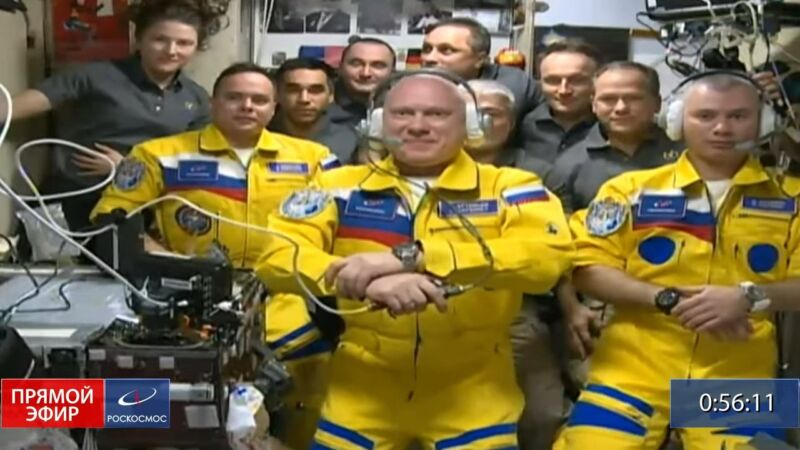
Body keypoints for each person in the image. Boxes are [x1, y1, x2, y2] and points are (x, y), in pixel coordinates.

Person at [255, 71, 574, 449]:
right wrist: (366, 281)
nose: (418, 126)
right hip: (361, 391)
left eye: (436, 115)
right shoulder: (336, 185)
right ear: (377, 124)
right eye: (403, 114)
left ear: (471, 126)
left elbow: (545, 260)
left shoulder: (513, 187)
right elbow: (276, 257)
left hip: (475, 393)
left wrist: (417, 257)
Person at [89, 64, 339, 450]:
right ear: (213, 102)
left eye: (258, 99)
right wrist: (163, 261)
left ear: (274, 107)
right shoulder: (159, 155)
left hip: (290, 300)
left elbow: (341, 228)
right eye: (234, 97)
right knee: (179, 408)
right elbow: (111, 220)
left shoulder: (315, 159)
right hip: (194, 302)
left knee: (310, 400)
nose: (247, 106)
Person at [553, 71, 800, 450]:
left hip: (738, 375)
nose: (722, 127)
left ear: (763, 122)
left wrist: (749, 298)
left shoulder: (792, 197)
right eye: (705, 116)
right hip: (629, 371)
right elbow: (587, 268)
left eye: (738, 116)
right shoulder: (629, 190)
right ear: (676, 120)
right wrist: (666, 298)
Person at [4, 0, 226, 232]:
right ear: (139, 39)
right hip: (66, 202)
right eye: (160, 39)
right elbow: (13, 107)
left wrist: (128, 168)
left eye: (184, 43)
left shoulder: (196, 97)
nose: (171, 51)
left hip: (139, 211)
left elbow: (196, 168)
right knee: (38, 268)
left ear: (197, 47)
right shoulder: (95, 75)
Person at [465, 78, 569, 450]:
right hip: (439, 313)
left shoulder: (536, 173)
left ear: (511, 122)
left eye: (492, 114)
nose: (480, 122)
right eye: (471, 112)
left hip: (519, 311)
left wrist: (571, 313)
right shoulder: (425, 166)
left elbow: (559, 251)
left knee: (544, 414)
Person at [421, 17, 544, 122]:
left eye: (447, 50)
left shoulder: (509, 86)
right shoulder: (414, 83)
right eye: (427, 50)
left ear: (480, 60)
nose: (430, 58)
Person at [519, 39, 599, 167]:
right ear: (540, 82)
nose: (564, 90)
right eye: (553, 81)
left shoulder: (612, 128)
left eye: (576, 80)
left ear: (597, 82)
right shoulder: (519, 126)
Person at [270, 58, 359, 163]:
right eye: (293, 90)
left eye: (315, 90)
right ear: (277, 95)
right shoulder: (257, 137)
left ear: (331, 96)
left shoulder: (353, 142)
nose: (304, 99)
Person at [330, 36, 396, 128]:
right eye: (356, 64)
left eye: (377, 66)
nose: (365, 73)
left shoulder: (405, 107)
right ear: (340, 68)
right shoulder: (318, 106)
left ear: (392, 72)